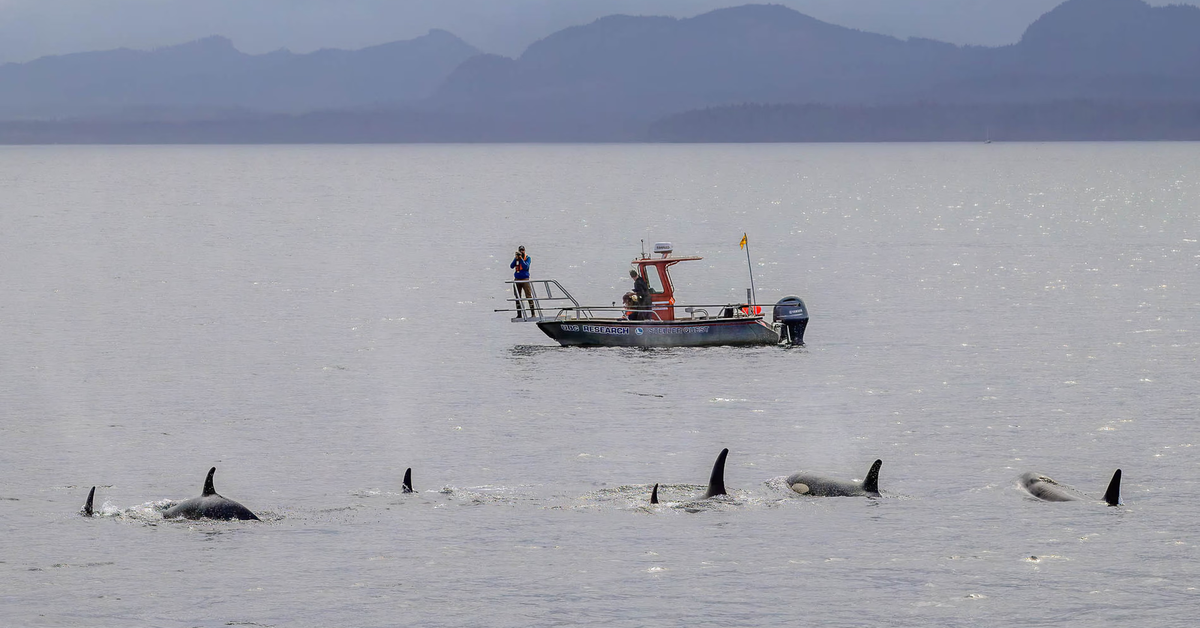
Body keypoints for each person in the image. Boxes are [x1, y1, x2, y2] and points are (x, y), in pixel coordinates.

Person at [510, 245, 534, 317]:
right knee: (517, 296)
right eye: (520, 250)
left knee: (528, 295)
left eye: (522, 250)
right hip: (517, 280)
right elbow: (511, 266)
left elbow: (525, 266)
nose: (521, 252)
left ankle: (533, 313)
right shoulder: (516, 259)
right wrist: (516, 258)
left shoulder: (528, 258)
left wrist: (521, 259)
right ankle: (519, 314)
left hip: (525, 279)